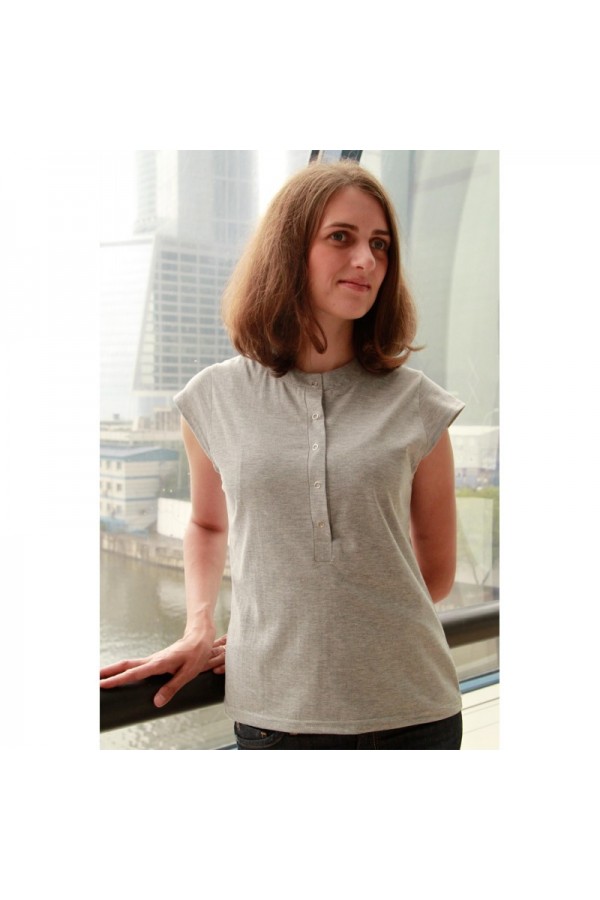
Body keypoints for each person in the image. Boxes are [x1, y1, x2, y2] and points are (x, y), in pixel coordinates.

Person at [100, 161, 465, 750]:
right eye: (341, 237)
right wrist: (200, 626)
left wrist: (326, 634)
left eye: (380, 245)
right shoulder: (214, 398)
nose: (366, 260)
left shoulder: (419, 405)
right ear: (289, 249)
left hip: (414, 710)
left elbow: (436, 572)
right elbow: (207, 524)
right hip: (272, 714)